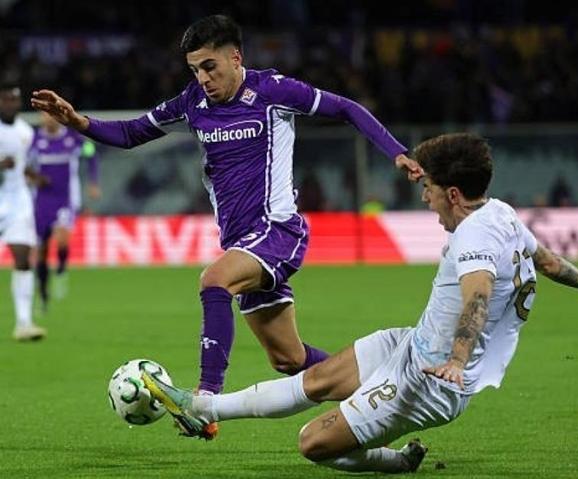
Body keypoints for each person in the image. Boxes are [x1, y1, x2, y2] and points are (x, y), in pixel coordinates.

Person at [143, 133, 578, 473]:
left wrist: (456, 360)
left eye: (428, 190)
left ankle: (395, 461)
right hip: (413, 345)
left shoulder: (474, 237)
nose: (424, 199)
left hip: (429, 381)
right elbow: (547, 261)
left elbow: (479, 294)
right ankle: (203, 405)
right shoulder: (501, 213)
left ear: (452, 193)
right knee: (318, 379)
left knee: (312, 443)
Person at [31, 14, 423, 439]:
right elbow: (131, 133)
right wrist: (78, 121)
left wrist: (397, 152)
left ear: (235, 58)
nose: (202, 78)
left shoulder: (272, 91)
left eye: (209, 67)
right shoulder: (192, 102)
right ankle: (390, 392)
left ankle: (205, 399)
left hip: (277, 230)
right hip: (241, 243)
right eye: (194, 70)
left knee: (214, 280)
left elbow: (345, 108)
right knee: (289, 359)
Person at [29, 111, 101, 312]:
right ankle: (43, 292)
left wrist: (94, 181)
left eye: (50, 115)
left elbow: (91, 152)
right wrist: (34, 178)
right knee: (41, 250)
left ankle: (61, 269)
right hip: (41, 200)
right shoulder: (34, 140)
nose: (47, 119)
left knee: (62, 240)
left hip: (65, 199)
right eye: (44, 115)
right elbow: (24, 167)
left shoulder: (72, 138)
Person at [0, 83, 47, 341]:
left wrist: (34, 176)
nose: (10, 104)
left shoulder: (26, 132)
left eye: (14, 100)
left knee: (22, 257)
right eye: (6, 99)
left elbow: (23, 165)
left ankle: (24, 323)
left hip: (17, 200)